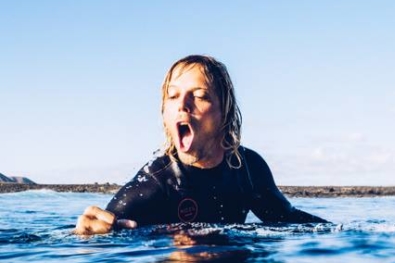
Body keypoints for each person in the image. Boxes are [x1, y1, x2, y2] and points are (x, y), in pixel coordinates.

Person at [75, 55, 326, 235]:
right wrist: (88, 232)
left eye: (199, 96)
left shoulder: (247, 168)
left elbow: (287, 221)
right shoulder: (157, 180)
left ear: (224, 114)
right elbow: (103, 235)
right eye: (172, 96)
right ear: (164, 113)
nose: (182, 105)